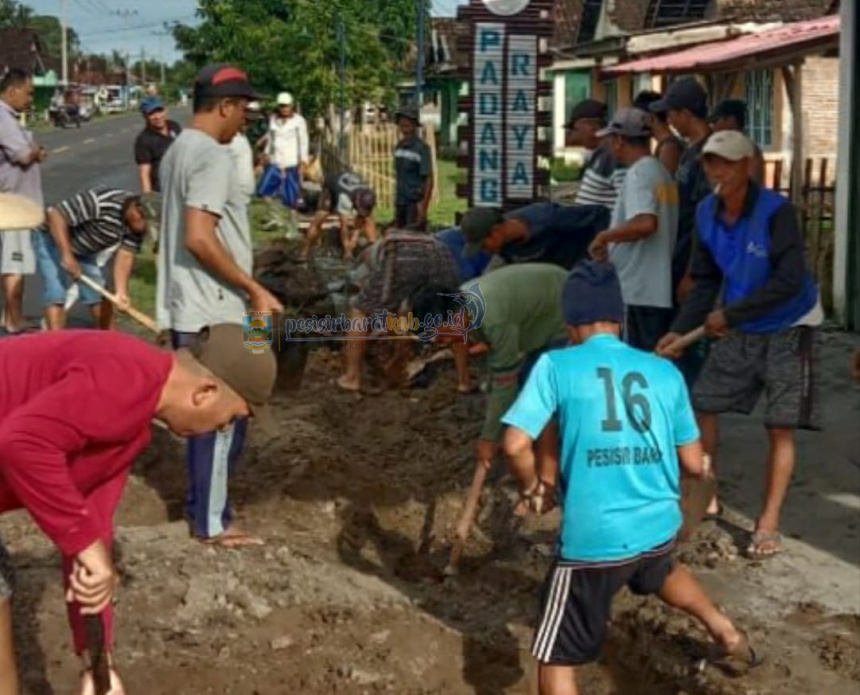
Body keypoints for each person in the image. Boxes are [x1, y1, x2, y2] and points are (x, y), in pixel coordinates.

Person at [502, 260, 757, 695]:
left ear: (569, 322)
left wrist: (533, 487)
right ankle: (727, 633)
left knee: (554, 655)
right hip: (659, 523)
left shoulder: (555, 366)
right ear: (620, 320)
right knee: (657, 569)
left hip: (593, 542)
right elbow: (696, 465)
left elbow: (513, 445)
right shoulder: (664, 372)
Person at [0, 320, 277, 695]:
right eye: (229, 419)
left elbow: (91, 529)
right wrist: (84, 545)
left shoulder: (133, 421)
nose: (220, 428)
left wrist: (98, 662)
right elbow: (21, 443)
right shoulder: (125, 376)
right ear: (205, 392)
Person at [656, 131, 823, 560]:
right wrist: (681, 328)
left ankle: (767, 522)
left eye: (728, 163)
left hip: (790, 323)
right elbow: (705, 280)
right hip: (742, 323)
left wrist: (729, 316)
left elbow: (788, 282)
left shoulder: (775, 212)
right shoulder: (707, 213)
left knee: (779, 425)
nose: (718, 171)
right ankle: (707, 491)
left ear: (748, 166)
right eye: (712, 162)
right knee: (704, 402)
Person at [156, 64, 284, 548]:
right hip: (218, 309)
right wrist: (253, 289)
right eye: (244, 110)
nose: (245, 121)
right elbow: (198, 237)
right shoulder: (211, 155)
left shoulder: (177, 150)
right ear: (225, 106)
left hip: (193, 306)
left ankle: (210, 507)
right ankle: (210, 520)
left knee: (213, 414)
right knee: (224, 418)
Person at [412, 263, 570, 468]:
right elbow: (496, 362)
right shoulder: (467, 303)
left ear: (454, 317)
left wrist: (489, 437)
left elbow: (505, 382)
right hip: (540, 307)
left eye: (441, 335)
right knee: (521, 385)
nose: (443, 342)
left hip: (563, 308)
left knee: (540, 391)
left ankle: (552, 465)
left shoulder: (492, 318)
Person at [587, 108, 679, 351]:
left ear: (619, 140)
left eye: (610, 139)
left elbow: (646, 223)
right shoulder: (661, 173)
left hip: (637, 289)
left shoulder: (638, 173)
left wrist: (604, 236)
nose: (607, 145)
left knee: (634, 362)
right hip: (657, 289)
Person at [337, 230, 459, 394]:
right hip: (441, 253)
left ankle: (351, 378)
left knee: (360, 311)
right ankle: (400, 367)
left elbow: (374, 304)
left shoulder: (365, 265)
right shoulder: (383, 249)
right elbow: (400, 310)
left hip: (401, 252)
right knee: (448, 309)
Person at [35, 186, 148, 330]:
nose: (145, 230)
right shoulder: (102, 202)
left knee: (99, 295)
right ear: (135, 211)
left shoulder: (138, 225)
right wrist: (67, 256)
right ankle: (56, 345)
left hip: (84, 247)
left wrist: (121, 292)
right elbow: (56, 215)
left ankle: (109, 342)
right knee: (56, 291)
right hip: (52, 236)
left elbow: (126, 255)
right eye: (144, 224)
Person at [649, 77, 712, 304]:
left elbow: (704, 218)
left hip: (693, 256)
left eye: (672, 114)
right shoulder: (688, 150)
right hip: (679, 248)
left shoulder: (708, 154)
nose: (670, 121)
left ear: (686, 113)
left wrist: (691, 272)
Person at [0, 68, 46, 335]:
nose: (30, 99)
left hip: (13, 200)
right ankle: (15, 319)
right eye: (28, 93)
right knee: (16, 263)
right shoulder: (4, 119)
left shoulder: (9, 118)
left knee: (10, 262)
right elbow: (23, 156)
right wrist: (37, 153)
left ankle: (9, 315)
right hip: (15, 203)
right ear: (13, 90)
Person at [457, 202, 609, 271]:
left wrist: (598, 254)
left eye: (484, 245)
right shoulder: (503, 247)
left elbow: (600, 213)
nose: (485, 251)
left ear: (496, 231)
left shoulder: (549, 219)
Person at [256, 91, 310, 228]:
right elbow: (272, 139)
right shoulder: (273, 119)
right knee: (263, 191)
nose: (284, 108)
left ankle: (292, 227)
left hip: (291, 164)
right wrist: (266, 153)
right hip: (275, 161)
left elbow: (303, 141)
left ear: (291, 106)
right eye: (282, 106)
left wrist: (303, 161)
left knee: (292, 199)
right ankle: (276, 218)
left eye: (287, 106)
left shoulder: (299, 121)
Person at [303, 168, 379, 260]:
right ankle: (304, 252)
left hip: (349, 186)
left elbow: (361, 219)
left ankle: (373, 247)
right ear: (356, 201)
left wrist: (354, 240)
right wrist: (347, 250)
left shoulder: (369, 195)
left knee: (368, 219)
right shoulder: (345, 198)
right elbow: (344, 225)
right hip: (331, 186)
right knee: (321, 216)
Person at [564, 99, 625, 210]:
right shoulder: (598, 154)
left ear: (593, 127)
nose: (574, 135)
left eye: (575, 129)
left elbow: (625, 201)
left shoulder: (611, 156)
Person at [393, 105, 433, 230]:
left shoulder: (422, 148)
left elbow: (429, 179)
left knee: (413, 239)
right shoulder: (399, 147)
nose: (403, 126)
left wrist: (423, 207)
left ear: (414, 125)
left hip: (414, 203)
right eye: (401, 123)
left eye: (407, 123)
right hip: (401, 201)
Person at [708, 99, 766, 184]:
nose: (713, 127)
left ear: (731, 120)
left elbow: (753, 184)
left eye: (716, 121)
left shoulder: (747, 149)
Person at [134, 96, 182, 195]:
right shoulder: (144, 140)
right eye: (152, 113)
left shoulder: (174, 126)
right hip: (163, 191)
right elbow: (144, 173)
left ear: (166, 111)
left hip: (182, 184)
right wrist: (148, 199)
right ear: (145, 116)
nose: (157, 117)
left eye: (160, 111)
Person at [633, 90, 686, 176]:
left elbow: (662, 184)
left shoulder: (669, 148)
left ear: (650, 118)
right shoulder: (664, 145)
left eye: (639, 118)